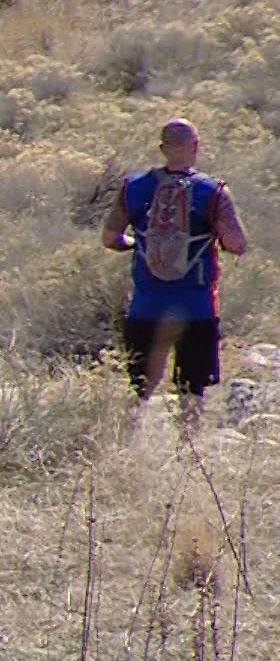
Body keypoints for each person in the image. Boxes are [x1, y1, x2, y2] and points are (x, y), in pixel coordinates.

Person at [100, 117, 248, 437]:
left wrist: (136, 243)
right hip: (196, 307)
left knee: (137, 385)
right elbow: (236, 244)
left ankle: (125, 446)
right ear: (196, 147)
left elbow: (110, 237)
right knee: (191, 388)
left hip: (145, 306)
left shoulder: (134, 186)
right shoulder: (213, 191)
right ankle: (188, 457)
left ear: (162, 148)